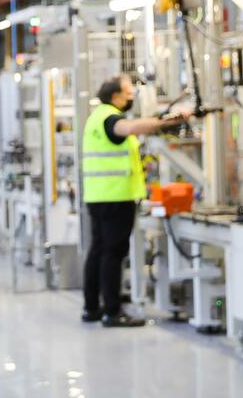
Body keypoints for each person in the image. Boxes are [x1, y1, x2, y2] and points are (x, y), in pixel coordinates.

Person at [81, 75, 191, 327]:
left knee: (99, 251)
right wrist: (165, 122)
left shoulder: (96, 117)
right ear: (115, 96)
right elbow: (128, 128)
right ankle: (112, 311)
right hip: (115, 197)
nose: (131, 98)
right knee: (112, 253)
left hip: (99, 196)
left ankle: (92, 308)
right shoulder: (109, 117)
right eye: (128, 94)